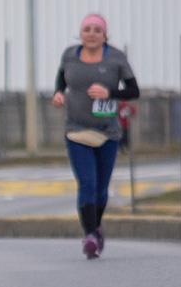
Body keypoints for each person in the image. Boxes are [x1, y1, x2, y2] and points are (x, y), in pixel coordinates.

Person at [53, 13, 139, 259]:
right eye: (87, 29)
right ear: (80, 34)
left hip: (107, 133)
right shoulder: (70, 55)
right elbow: (61, 78)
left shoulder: (116, 58)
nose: (91, 34)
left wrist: (109, 92)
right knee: (87, 184)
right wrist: (58, 93)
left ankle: (96, 227)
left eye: (97, 30)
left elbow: (134, 91)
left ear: (104, 35)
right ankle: (90, 235)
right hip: (76, 131)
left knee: (101, 189)